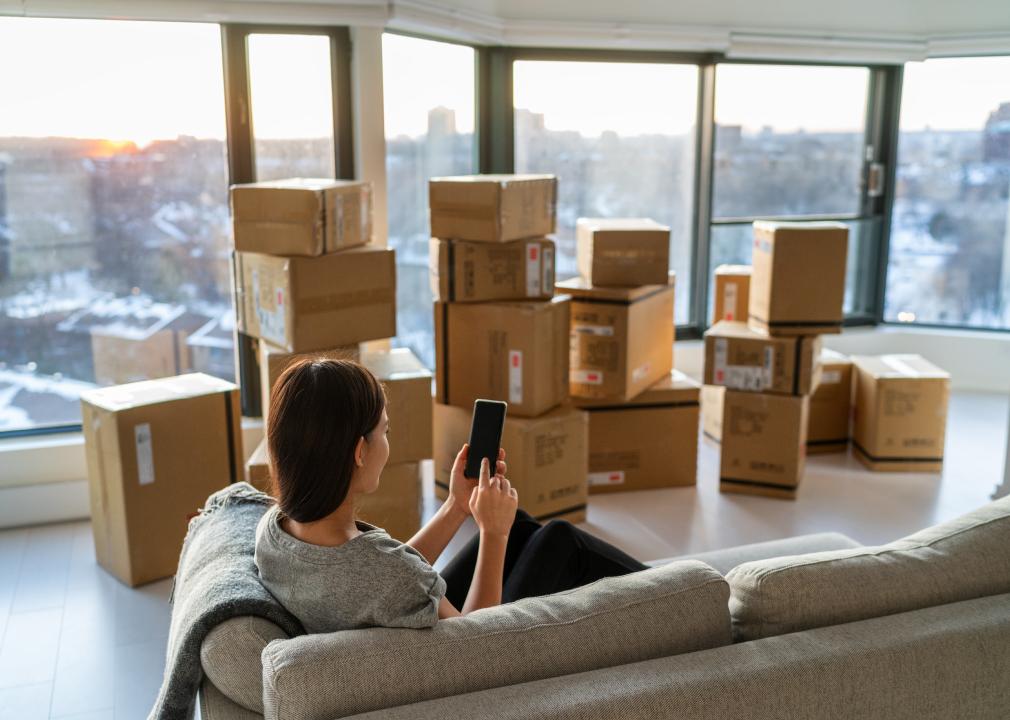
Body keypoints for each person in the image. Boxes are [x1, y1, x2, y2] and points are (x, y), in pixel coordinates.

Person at [254, 357, 648, 634]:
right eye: (385, 432)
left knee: (524, 527)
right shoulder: (386, 574)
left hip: (391, 621)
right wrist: (493, 533)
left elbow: (376, 576)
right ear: (359, 452)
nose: (387, 444)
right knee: (560, 540)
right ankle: (680, 594)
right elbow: (476, 643)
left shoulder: (274, 531)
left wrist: (457, 506)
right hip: (465, 650)